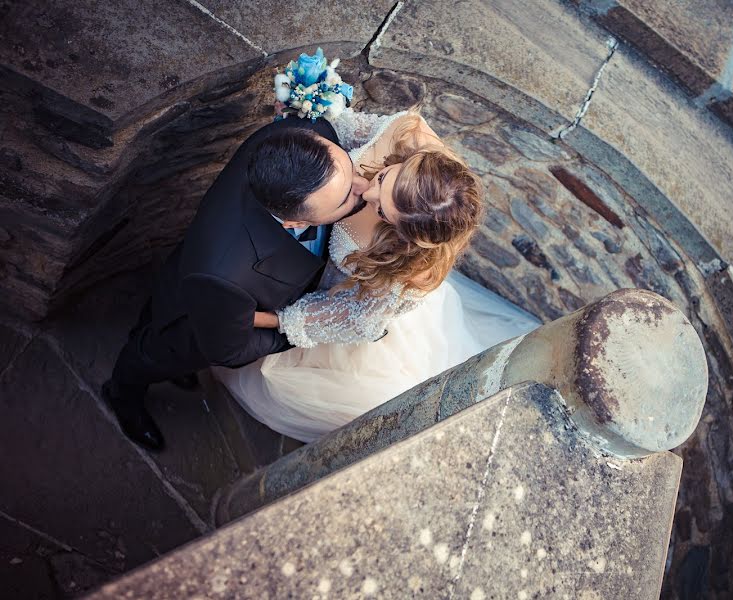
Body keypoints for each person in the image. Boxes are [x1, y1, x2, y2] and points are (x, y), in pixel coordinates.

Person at [212, 109, 541, 442]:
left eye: (382, 212)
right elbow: (348, 128)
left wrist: (269, 319)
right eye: (385, 178)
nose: (365, 192)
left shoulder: (406, 271)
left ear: (404, 235)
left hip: (348, 298)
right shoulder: (411, 137)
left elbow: (355, 316)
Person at [103, 115, 370, 451]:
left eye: (351, 171)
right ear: (293, 222)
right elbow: (229, 350)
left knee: (162, 305)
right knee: (155, 351)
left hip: (200, 264)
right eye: (346, 198)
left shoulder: (307, 138)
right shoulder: (227, 275)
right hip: (204, 315)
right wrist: (304, 327)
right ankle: (121, 393)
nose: (362, 186)